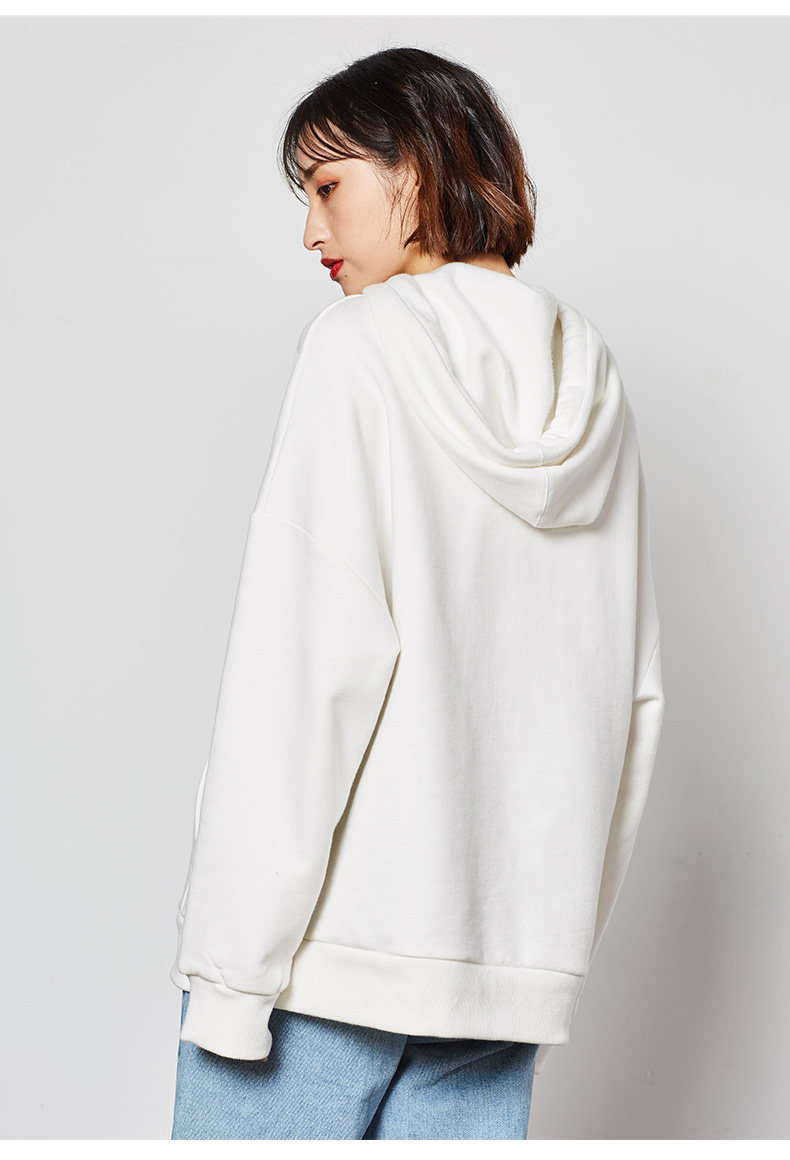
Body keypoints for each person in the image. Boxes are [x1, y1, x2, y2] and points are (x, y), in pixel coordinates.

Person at [169, 46, 666, 1140]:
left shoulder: (358, 348)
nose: (311, 231)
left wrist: (233, 973)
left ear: (421, 169)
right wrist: (537, 958)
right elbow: (630, 699)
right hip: (502, 972)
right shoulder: (593, 376)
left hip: (324, 965)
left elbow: (299, 678)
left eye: (327, 185)